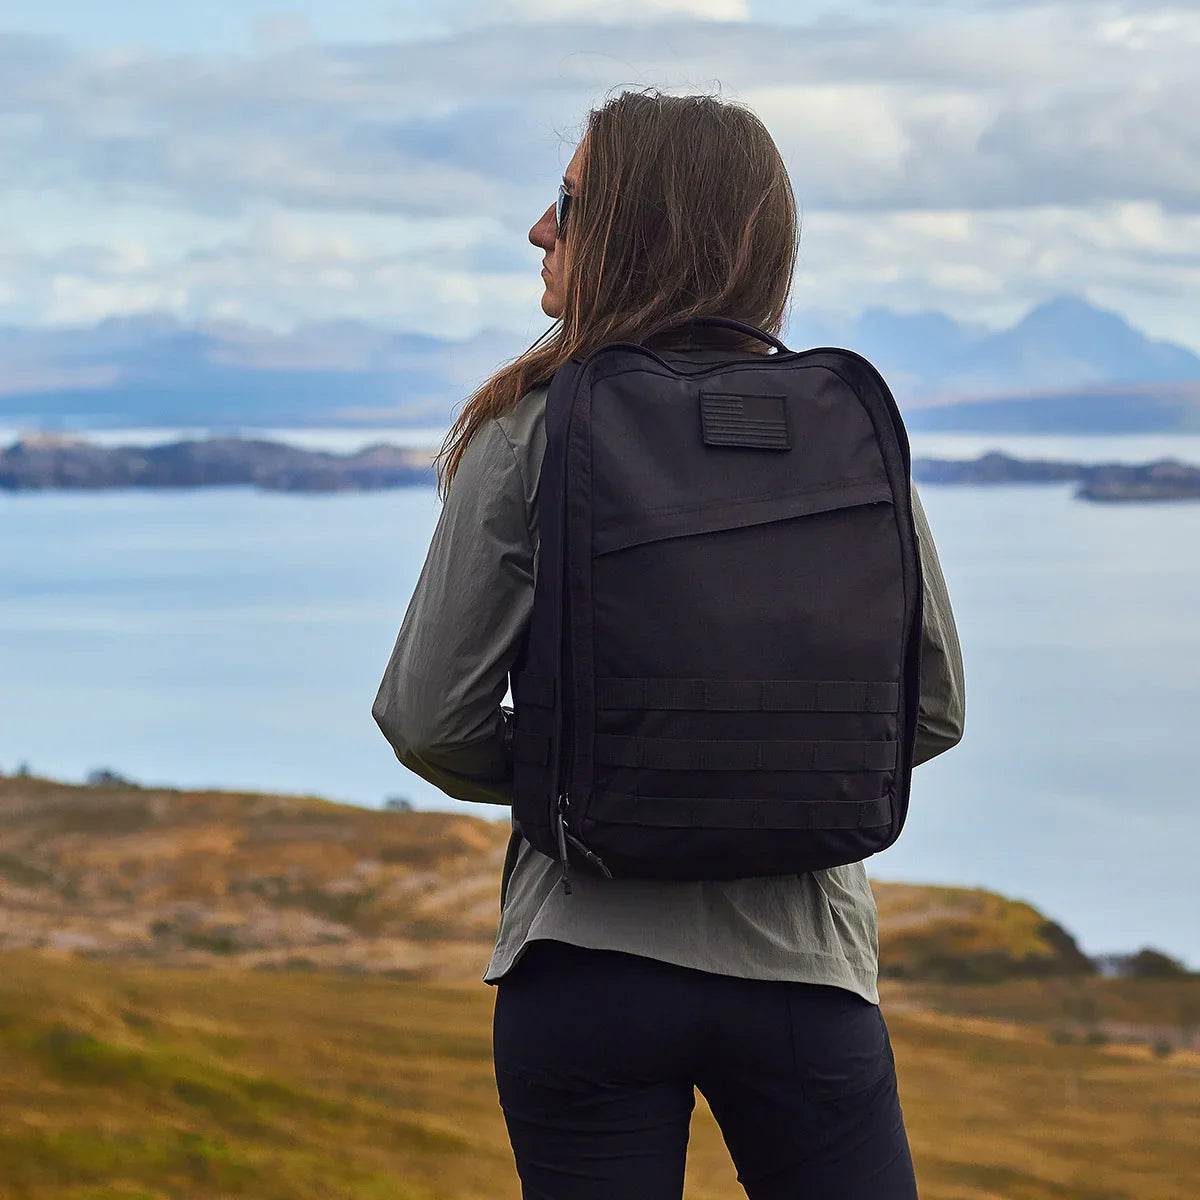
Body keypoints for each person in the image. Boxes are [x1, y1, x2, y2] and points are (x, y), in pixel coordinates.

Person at [373, 89, 965, 1200]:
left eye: (570, 202)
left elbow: (426, 719)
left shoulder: (530, 424)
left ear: (643, 230)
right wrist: (756, 776)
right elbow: (931, 707)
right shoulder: (840, 428)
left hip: (581, 969)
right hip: (806, 974)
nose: (540, 229)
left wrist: (597, 780)